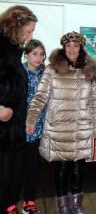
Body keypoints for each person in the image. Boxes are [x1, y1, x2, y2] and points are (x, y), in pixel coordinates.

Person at [26, 31, 96, 214]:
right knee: (61, 168)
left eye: (76, 45)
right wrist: (32, 118)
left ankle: (76, 203)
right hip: (58, 128)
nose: (72, 49)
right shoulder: (52, 69)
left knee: (78, 169)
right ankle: (62, 204)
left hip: (82, 127)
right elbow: (40, 96)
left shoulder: (89, 70)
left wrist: (95, 126)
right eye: (68, 45)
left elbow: (92, 100)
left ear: (81, 47)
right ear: (63, 48)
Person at [0, 5, 37, 214]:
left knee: (11, 179)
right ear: (16, 25)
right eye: (29, 30)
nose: (31, 35)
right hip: (3, 130)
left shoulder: (13, 50)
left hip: (14, 130)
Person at [22, 39, 46, 214]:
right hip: (21, 127)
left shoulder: (46, 73)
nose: (39, 58)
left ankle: (29, 201)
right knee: (17, 168)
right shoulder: (18, 72)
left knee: (33, 167)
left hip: (41, 127)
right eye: (35, 53)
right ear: (26, 54)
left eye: (42, 54)